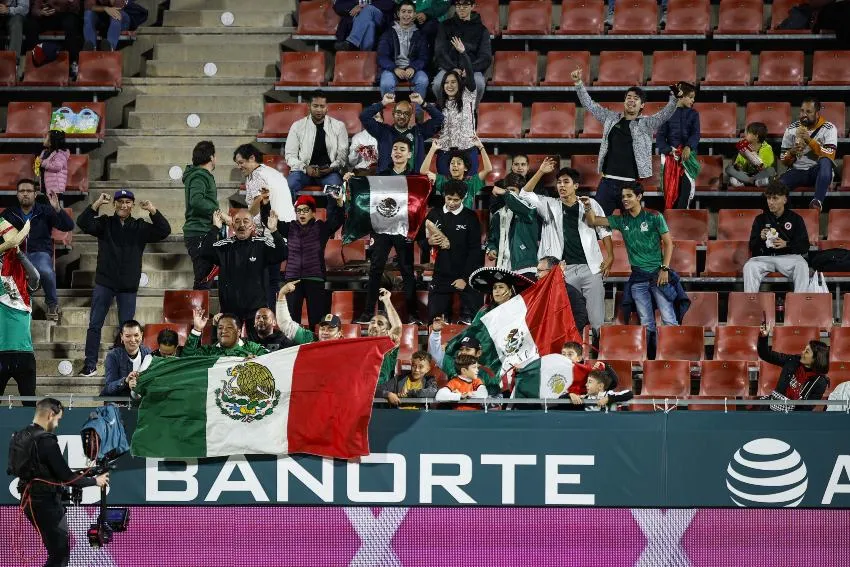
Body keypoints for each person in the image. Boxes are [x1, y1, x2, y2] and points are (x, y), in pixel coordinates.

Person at [582, 186, 686, 358]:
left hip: (658, 275)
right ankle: (652, 360)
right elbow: (593, 221)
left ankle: (673, 358)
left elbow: (669, 243)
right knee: (646, 322)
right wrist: (587, 206)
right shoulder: (622, 220)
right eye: (623, 196)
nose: (625, 199)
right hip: (638, 278)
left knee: (669, 319)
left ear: (639, 196)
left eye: (629, 196)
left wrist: (665, 268)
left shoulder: (654, 217)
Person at [77, 191, 170, 376]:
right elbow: (83, 223)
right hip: (105, 282)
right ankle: (90, 365)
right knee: (95, 324)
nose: (123, 205)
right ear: (115, 204)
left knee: (126, 329)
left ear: (132, 205)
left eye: (128, 202)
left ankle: (123, 368)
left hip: (128, 286)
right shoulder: (105, 223)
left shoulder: (140, 226)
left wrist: (152, 210)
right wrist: (96, 204)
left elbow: (164, 231)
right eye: (120, 202)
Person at [518, 160, 612, 339]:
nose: (561, 185)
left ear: (576, 185)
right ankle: (572, 354)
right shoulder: (549, 205)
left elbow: (604, 230)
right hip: (563, 271)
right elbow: (524, 194)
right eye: (559, 182)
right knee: (568, 317)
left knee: (596, 319)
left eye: (566, 182)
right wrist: (540, 172)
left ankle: (599, 357)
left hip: (590, 268)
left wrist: (611, 257)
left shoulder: (589, 203)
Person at [11, 398, 109, 567]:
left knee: (56, 552)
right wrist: (95, 481)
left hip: (29, 503)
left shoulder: (19, 436)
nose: (57, 424)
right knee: (59, 555)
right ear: (50, 415)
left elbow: (44, 469)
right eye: (58, 419)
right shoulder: (46, 440)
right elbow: (67, 478)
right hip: (46, 505)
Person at [571, 67, 683, 215]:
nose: (631, 100)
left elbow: (663, 116)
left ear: (642, 105)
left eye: (636, 99)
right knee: (596, 223)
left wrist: (674, 99)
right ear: (624, 101)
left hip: (630, 185)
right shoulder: (610, 118)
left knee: (631, 229)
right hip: (607, 183)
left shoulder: (646, 124)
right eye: (629, 97)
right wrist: (578, 83)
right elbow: (590, 105)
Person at [349, 139, 421, 323]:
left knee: (407, 271)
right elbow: (366, 194)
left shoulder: (414, 178)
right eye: (395, 148)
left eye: (402, 149)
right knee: (375, 269)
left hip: (403, 229)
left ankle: (412, 314)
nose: (398, 152)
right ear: (390, 153)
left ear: (409, 154)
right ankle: (367, 312)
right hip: (382, 229)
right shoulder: (380, 175)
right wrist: (351, 179)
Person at [200, 209, 287, 337]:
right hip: (230, 308)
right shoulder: (224, 246)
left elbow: (282, 253)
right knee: (229, 349)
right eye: (237, 221)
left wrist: (274, 231)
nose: (241, 225)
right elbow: (204, 252)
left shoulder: (262, 244)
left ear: (252, 225)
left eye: (246, 221)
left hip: (257, 309)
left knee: (258, 349)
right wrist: (215, 228)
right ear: (232, 226)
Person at [234, 143, 296, 308]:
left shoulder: (256, 175)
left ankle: (265, 316)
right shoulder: (273, 172)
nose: (239, 167)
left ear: (252, 158)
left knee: (265, 281)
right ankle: (273, 317)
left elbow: (257, 205)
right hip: (285, 231)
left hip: (268, 233)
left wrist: (245, 214)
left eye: (241, 162)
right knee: (273, 280)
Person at [2, 179, 73, 321]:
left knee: (45, 270)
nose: (25, 194)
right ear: (17, 195)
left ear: (35, 194)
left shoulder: (45, 210)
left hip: (39, 253)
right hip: (15, 254)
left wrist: (57, 209)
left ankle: (52, 304)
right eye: (22, 191)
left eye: (29, 191)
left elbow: (68, 226)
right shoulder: (9, 213)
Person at [277, 194, 344, 328]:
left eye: (305, 210)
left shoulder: (321, 228)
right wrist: (266, 203)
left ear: (313, 212)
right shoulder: (290, 227)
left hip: (315, 279)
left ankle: (316, 347)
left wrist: (340, 203)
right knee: (291, 322)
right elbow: (270, 221)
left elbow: (338, 219)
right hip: (293, 281)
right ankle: (293, 348)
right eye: (299, 210)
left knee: (317, 321)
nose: (301, 213)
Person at [425, 179, 482, 324]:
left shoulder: (470, 217)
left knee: (476, 319)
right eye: (448, 198)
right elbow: (421, 239)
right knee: (435, 321)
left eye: (455, 200)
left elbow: (475, 250)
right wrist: (428, 242)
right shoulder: (434, 214)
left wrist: (465, 278)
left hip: (464, 274)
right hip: (440, 274)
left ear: (463, 198)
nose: (451, 203)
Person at [743, 181, 810, 293]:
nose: (771, 202)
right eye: (769, 198)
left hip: (788, 258)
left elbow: (804, 246)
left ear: (784, 199)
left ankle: (798, 305)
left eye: (775, 198)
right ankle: (751, 306)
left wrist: (786, 244)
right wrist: (761, 239)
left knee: (802, 265)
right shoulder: (760, 219)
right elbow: (752, 246)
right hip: (765, 258)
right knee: (749, 266)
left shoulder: (796, 219)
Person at [0, 218, 39, 406]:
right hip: (1, 353)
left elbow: (36, 276)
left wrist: (20, 255)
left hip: (24, 354)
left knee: (29, 405)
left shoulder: (26, 285)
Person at [359, 91, 444, 173]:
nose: (402, 116)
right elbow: (364, 117)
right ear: (393, 114)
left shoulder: (419, 132)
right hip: (387, 179)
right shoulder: (383, 131)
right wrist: (383, 103)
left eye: (406, 114)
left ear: (411, 117)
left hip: (413, 180)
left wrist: (422, 102)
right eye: (398, 113)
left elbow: (440, 118)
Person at [285, 91, 348, 198]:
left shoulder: (339, 126)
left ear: (327, 107)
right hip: (303, 172)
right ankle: (289, 215)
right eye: (315, 106)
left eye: (322, 106)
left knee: (336, 190)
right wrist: (305, 168)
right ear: (309, 106)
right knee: (288, 186)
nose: (319, 109)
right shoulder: (297, 126)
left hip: (329, 172)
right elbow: (290, 156)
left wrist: (331, 168)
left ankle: (333, 215)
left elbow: (342, 156)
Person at [779, 97, 838, 211]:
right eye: (802, 111)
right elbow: (783, 159)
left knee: (825, 161)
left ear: (817, 113)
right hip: (797, 171)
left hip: (818, 171)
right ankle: (788, 216)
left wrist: (809, 140)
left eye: (808, 112)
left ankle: (817, 201)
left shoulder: (829, 128)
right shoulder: (792, 129)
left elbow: (830, 154)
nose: (804, 114)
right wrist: (792, 152)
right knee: (779, 186)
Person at [758, 321, 829, 412]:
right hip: (773, 409)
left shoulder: (820, 381)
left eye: (807, 351)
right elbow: (766, 355)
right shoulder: (792, 361)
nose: (802, 352)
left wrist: (788, 412)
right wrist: (764, 337)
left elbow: (807, 408)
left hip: (794, 417)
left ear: (816, 358)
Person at [433, 35, 479, 175]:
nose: (449, 85)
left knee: (467, 190)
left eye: (453, 82)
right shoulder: (440, 104)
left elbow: (470, 74)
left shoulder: (468, 95)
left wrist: (463, 53)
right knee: (445, 191)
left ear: (460, 83)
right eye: (446, 83)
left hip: (467, 150)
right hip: (445, 152)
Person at [432, 0, 491, 106]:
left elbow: (485, 56)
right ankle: (445, 110)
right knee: (437, 84)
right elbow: (440, 51)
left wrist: (470, 69)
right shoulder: (445, 26)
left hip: (472, 69)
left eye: (465, 4)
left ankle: (472, 112)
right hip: (449, 68)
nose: (461, 8)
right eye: (458, 5)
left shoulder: (482, 30)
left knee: (479, 84)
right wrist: (452, 68)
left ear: (472, 6)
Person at [656, 82, 700, 210]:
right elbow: (660, 138)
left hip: (687, 158)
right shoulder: (666, 114)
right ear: (681, 96)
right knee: (672, 191)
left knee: (685, 193)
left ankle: (681, 219)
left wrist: (688, 147)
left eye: (694, 98)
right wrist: (669, 150)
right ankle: (671, 222)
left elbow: (696, 134)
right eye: (691, 97)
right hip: (671, 158)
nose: (693, 100)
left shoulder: (694, 114)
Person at [182, 140, 218, 290]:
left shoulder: (199, 175)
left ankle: (201, 313)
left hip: (202, 231)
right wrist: (218, 213)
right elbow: (196, 201)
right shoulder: (200, 176)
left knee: (205, 278)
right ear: (211, 157)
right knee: (203, 279)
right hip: (199, 232)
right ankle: (198, 313)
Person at [486, 176, 539, 276]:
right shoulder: (498, 215)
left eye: (513, 190)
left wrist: (506, 193)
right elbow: (492, 239)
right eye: (507, 190)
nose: (509, 192)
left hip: (525, 267)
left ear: (521, 192)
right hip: (503, 267)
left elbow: (518, 205)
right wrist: (492, 249)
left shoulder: (529, 209)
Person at [377, 1, 429, 98]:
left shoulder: (420, 35)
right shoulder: (388, 33)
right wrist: (394, 68)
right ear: (398, 14)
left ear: (414, 14)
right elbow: (382, 56)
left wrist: (413, 68)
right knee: (386, 83)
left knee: (423, 80)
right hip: (393, 69)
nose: (406, 15)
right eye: (403, 11)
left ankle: (418, 112)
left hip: (413, 69)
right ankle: (388, 111)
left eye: (409, 12)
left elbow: (424, 57)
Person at [422, 138, 491, 209]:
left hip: (466, 218)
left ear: (465, 168)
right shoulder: (443, 180)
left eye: (459, 163)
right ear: (449, 168)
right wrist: (432, 149)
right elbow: (424, 171)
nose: (455, 165)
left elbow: (488, 169)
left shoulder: (472, 182)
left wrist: (481, 147)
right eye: (452, 163)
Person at [535, 258, 591, 335]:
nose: (536, 275)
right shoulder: (537, 294)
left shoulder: (571, 293)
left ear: (552, 272)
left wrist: (561, 333)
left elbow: (581, 319)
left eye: (539, 271)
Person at [25, 1, 82, 73]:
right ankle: (34, 60)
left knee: (70, 23)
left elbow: (76, 8)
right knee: (31, 24)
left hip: (65, 14)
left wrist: (57, 7)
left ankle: (72, 62)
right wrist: (40, 12)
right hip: (46, 16)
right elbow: (34, 9)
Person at [184, 310, 267, 357]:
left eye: (229, 328)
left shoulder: (252, 348)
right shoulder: (208, 351)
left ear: (238, 331)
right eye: (220, 328)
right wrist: (197, 329)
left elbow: (272, 361)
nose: (223, 331)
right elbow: (185, 361)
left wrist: (257, 362)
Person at [100, 319, 150, 397]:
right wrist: (125, 381)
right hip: (119, 403)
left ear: (141, 335)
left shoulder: (148, 353)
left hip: (141, 403)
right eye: (128, 336)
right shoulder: (113, 355)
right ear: (121, 337)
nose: (133, 340)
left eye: (136, 335)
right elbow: (108, 388)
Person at [726, 122, 776, 188]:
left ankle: (746, 183)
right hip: (745, 175)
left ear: (756, 136)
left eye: (748, 133)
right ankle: (754, 182)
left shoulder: (767, 148)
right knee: (729, 168)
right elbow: (738, 165)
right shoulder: (744, 146)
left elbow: (764, 168)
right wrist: (738, 166)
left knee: (771, 170)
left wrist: (748, 157)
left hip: (759, 175)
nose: (745, 134)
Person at [560, 369, 633, 411]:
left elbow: (629, 393)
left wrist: (608, 399)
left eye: (590, 382)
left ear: (600, 386)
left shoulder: (609, 394)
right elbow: (558, 399)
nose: (586, 384)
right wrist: (570, 395)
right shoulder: (585, 398)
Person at [36, 130, 70, 199]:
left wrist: (42, 163)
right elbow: (40, 163)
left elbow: (57, 167)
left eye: (46, 137)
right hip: (45, 185)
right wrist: (37, 164)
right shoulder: (44, 152)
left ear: (51, 142)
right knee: (48, 206)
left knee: (53, 206)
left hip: (55, 187)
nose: (44, 139)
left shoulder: (60, 154)